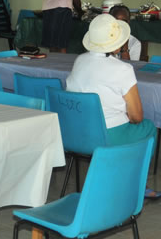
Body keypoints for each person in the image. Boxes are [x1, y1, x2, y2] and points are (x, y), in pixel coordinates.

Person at [66, 14, 156, 145]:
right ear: (118, 43)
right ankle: (131, 164)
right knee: (148, 127)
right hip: (107, 136)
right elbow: (136, 117)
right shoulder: (123, 69)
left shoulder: (79, 60)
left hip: (75, 132)